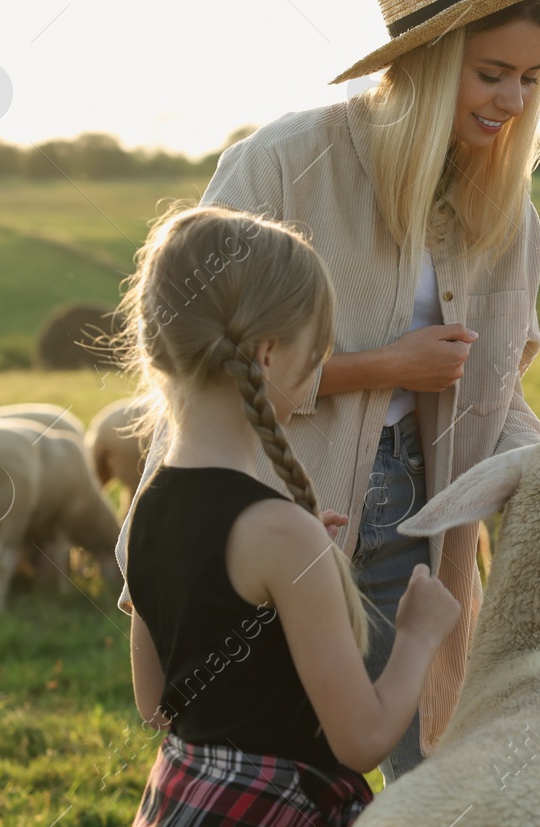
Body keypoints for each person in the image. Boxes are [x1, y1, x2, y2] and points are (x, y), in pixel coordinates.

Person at [112, 0, 540, 781]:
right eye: (490, 74)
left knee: (440, 777)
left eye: (531, 79)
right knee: (276, 760)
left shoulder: (507, 209)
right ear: (421, 64)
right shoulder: (279, 166)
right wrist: (385, 367)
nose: (512, 101)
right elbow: (205, 361)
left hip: (425, 523)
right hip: (278, 518)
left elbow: (496, 392)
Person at [118, 205, 463, 825]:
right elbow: (362, 740)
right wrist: (418, 634)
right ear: (268, 354)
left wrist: (297, 573)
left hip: (185, 798)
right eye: (317, 349)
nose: (319, 366)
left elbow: (155, 703)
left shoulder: (149, 506)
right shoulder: (280, 534)